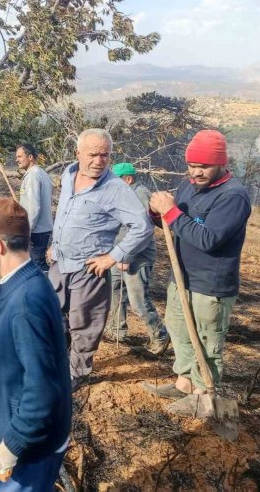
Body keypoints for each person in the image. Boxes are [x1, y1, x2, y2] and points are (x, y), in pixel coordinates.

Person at [0, 198, 70, 491]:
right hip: (17, 433)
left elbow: (43, 391)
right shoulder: (28, 281)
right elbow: (38, 356)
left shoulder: (25, 303)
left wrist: (9, 450)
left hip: (27, 451)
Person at [144, 130, 251, 417]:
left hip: (211, 285)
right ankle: (183, 385)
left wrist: (171, 213)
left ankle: (205, 398)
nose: (196, 172)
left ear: (221, 164)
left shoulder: (233, 196)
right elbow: (175, 223)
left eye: (203, 166)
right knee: (179, 331)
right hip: (182, 278)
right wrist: (157, 212)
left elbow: (208, 239)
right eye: (192, 165)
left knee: (206, 341)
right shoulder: (188, 186)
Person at [47, 129, 152, 391]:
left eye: (105, 155)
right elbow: (64, 213)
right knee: (53, 314)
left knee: (84, 323)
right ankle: (57, 362)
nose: (98, 160)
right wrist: (54, 244)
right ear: (78, 154)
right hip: (60, 263)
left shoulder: (115, 189)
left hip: (88, 268)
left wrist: (113, 257)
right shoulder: (68, 175)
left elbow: (142, 226)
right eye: (93, 154)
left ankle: (78, 373)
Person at [103, 162, 169, 355]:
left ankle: (160, 336)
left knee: (138, 300)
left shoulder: (139, 194)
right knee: (115, 292)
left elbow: (142, 230)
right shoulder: (121, 194)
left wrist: (127, 256)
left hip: (136, 257)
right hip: (117, 254)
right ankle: (116, 330)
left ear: (128, 179)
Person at [15, 143, 54, 272]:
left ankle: (49, 290)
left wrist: (27, 230)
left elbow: (33, 207)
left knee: (37, 266)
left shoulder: (33, 176)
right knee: (37, 263)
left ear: (30, 156)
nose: (17, 160)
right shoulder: (41, 173)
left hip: (36, 230)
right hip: (42, 228)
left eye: (20, 156)